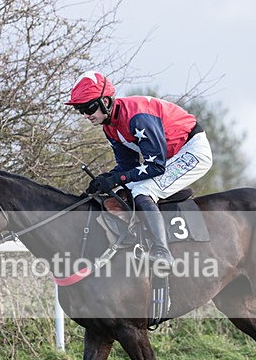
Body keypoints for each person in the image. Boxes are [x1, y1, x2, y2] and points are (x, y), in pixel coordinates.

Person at [66, 71, 213, 267]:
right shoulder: (110, 126)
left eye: (89, 107)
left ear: (106, 102)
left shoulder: (137, 118)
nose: (85, 115)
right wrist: (106, 178)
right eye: (80, 109)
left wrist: (117, 178)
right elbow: (128, 167)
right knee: (121, 191)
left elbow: (155, 166)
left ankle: (163, 252)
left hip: (193, 150)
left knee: (144, 190)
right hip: (171, 155)